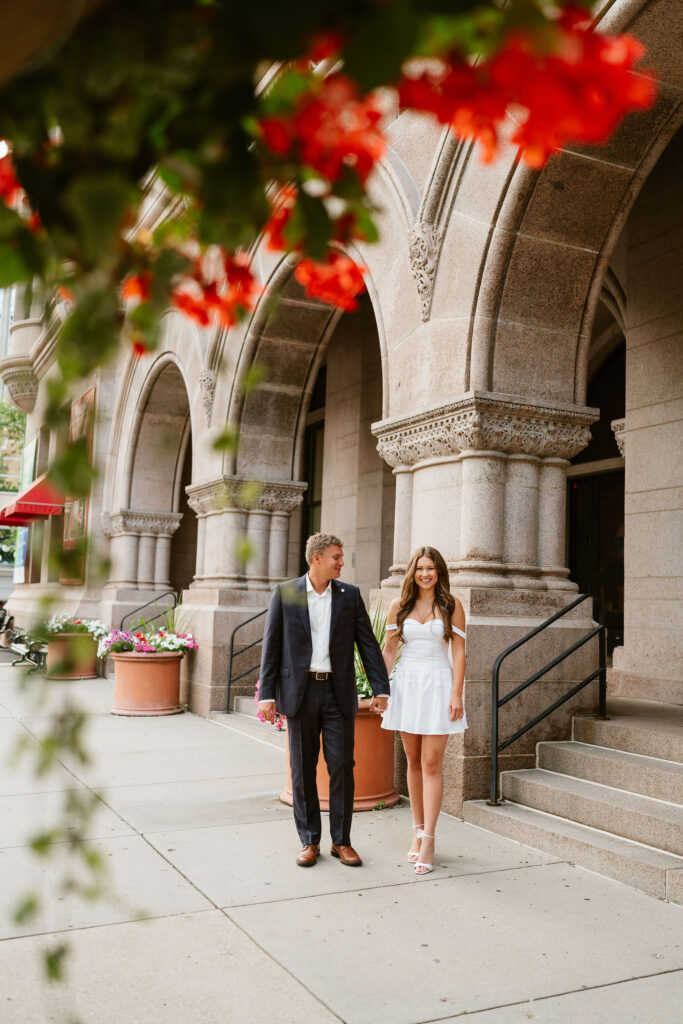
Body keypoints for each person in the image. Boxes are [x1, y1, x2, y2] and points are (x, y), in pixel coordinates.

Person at [259, 532, 390, 867]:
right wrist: (267, 694)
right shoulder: (287, 593)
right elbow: (271, 646)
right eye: (336, 557)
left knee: (342, 767)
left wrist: (381, 688)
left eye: (342, 557)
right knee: (302, 770)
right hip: (299, 694)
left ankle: (342, 841)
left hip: (337, 692)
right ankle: (309, 841)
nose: (342, 563)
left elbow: (368, 645)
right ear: (316, 559)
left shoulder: (349, 596)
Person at [381, 546, 466, 874]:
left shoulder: (451, 605)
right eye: (420, 568)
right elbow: (389, 652)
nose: (425, 573)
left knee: (432, 763)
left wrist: (456, 694)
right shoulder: (397, 607)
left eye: (430, 568)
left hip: (438, 685)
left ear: (439, 571)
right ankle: (417, 831)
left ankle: (429, 838)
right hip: (406, 686)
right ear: (412, 572)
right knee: (413, 762)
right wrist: (380, 689)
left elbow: (459, 653)